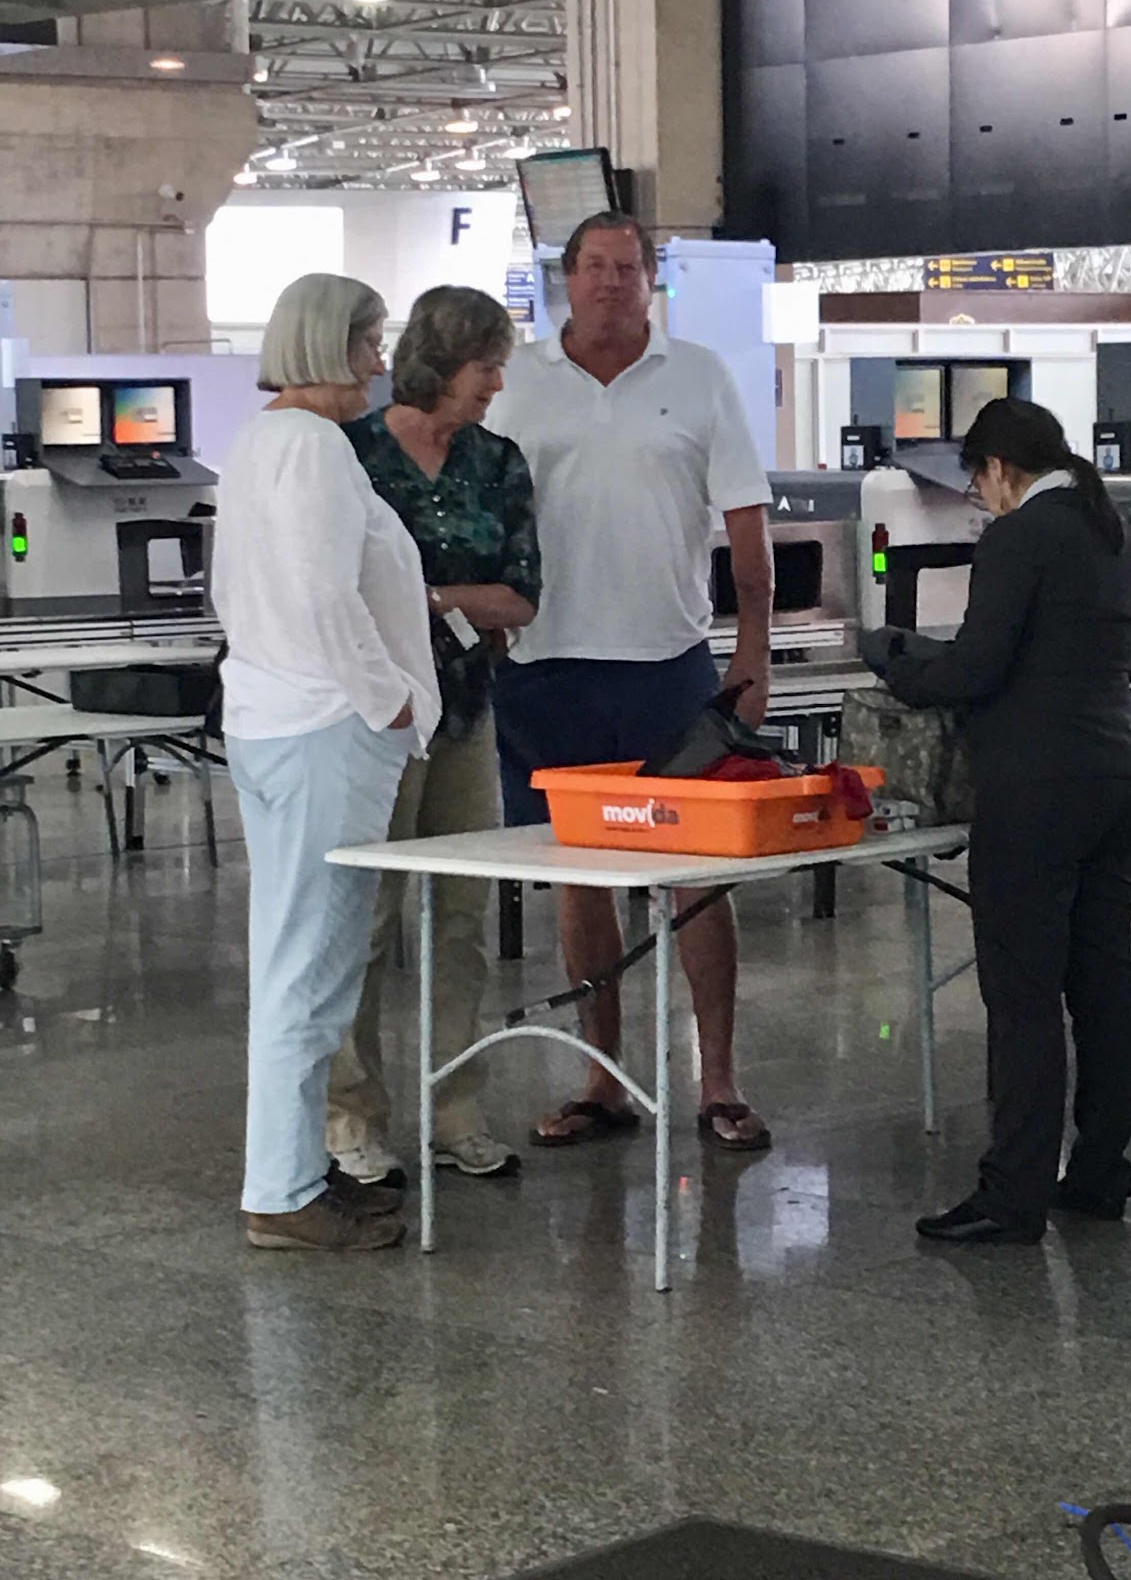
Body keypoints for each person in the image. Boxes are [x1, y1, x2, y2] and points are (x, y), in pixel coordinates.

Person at [487, 210, 776, 1152]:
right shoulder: (515, 381)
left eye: (628, 267)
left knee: (696, 879)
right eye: (594, 266)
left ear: (654, 280)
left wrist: (753, 651)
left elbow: (745, 521)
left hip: (668, 666)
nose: (611, 282)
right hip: (545, 665)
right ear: (566, 279)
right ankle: (600, 1079)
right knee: (581, 881)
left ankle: (719, 1081)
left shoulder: (699, 377)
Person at [861, 397, 1131, 1246]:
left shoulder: (1021, 536)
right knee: (1103, 981)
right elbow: (1128, 659)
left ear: (997, 468)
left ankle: (1012, 1195)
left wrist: (898, 661)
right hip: (1118, 775)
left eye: (978, 485)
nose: (982, 501)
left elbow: (976, 669)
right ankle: (1098, 1176)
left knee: (1023, 996)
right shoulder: (1119, 534)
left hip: (1036, 790)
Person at [214, 273, 441, 1251]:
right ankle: (282, 1192)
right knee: (314, 963)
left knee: (293, 957)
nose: (379, 364)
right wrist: (386, 696)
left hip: (274, 721)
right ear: (326, 344)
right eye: (368, 344)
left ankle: (292, 1171)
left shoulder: (259, 442)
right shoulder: (312, 447)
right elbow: (324, 594)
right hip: (325, 728)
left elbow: (243, 594)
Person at [327, 285, 540, 1187]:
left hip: (464, 712)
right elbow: (333, 589)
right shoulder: (353, 454)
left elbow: (521, 597)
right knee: (367, 921)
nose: (496, 383)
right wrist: (440, 608)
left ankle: (457, 1110)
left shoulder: (497, 462)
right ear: (442, 362)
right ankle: (352, 1117)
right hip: (375, 718)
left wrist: (430, 599)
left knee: (461, 922)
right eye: (486, 366)